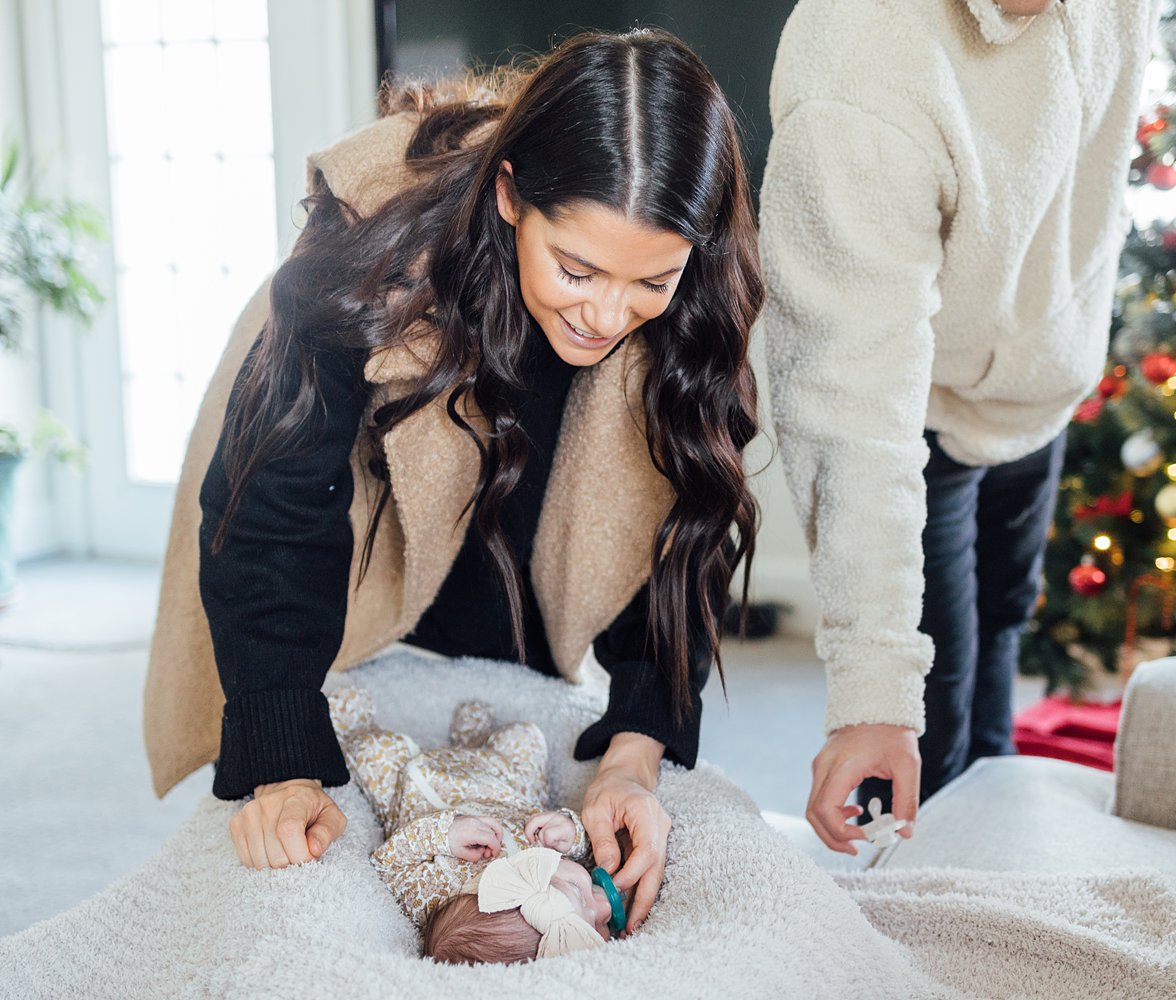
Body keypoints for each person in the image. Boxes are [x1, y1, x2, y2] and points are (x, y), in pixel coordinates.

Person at [141, 29, 762, 935]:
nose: (605, 314)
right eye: (578, 268)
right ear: (512, 194)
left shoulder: (699, 287)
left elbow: (684, 520)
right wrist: (281, 755)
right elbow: (275, 507)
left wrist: (637, 745)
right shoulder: (371, 236)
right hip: (347, 490)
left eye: (649, 282)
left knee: (506, 651)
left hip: (522, 498)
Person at [759, 0, 1158, 853]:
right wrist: (872, 691)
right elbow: (850, 402)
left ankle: (989, 840)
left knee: (1000, 648)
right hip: (917, 413)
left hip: (1038, 388)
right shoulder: (857, 73)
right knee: (922, 738)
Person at [328, 686, 626, 964]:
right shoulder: (550, 857)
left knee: (375, 750)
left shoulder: (434, 892)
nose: (605, 907)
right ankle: (472, 741)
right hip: (501, 784)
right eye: (578, 889)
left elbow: (387, 864)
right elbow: (587, 853)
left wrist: (446, 833)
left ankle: (353, 727)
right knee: (524, 736)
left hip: (421, 787)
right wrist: (570, 834)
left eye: (597, 925)